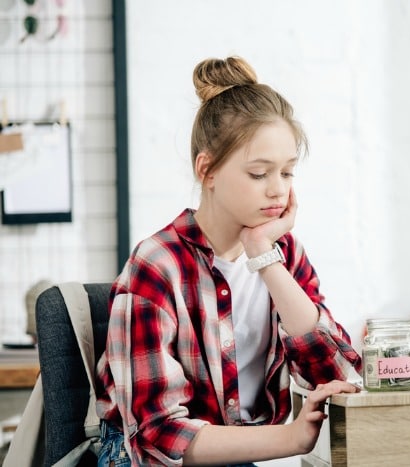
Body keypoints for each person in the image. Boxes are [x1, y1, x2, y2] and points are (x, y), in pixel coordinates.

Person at [95, 55, 362, 466]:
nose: (277, 190)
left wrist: (265, 258)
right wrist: (289, 438)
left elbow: (337, 375)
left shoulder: (283, 253)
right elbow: (158, 433)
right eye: (259, 174)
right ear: (208, 171)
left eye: (287, 173)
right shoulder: (157, 266)